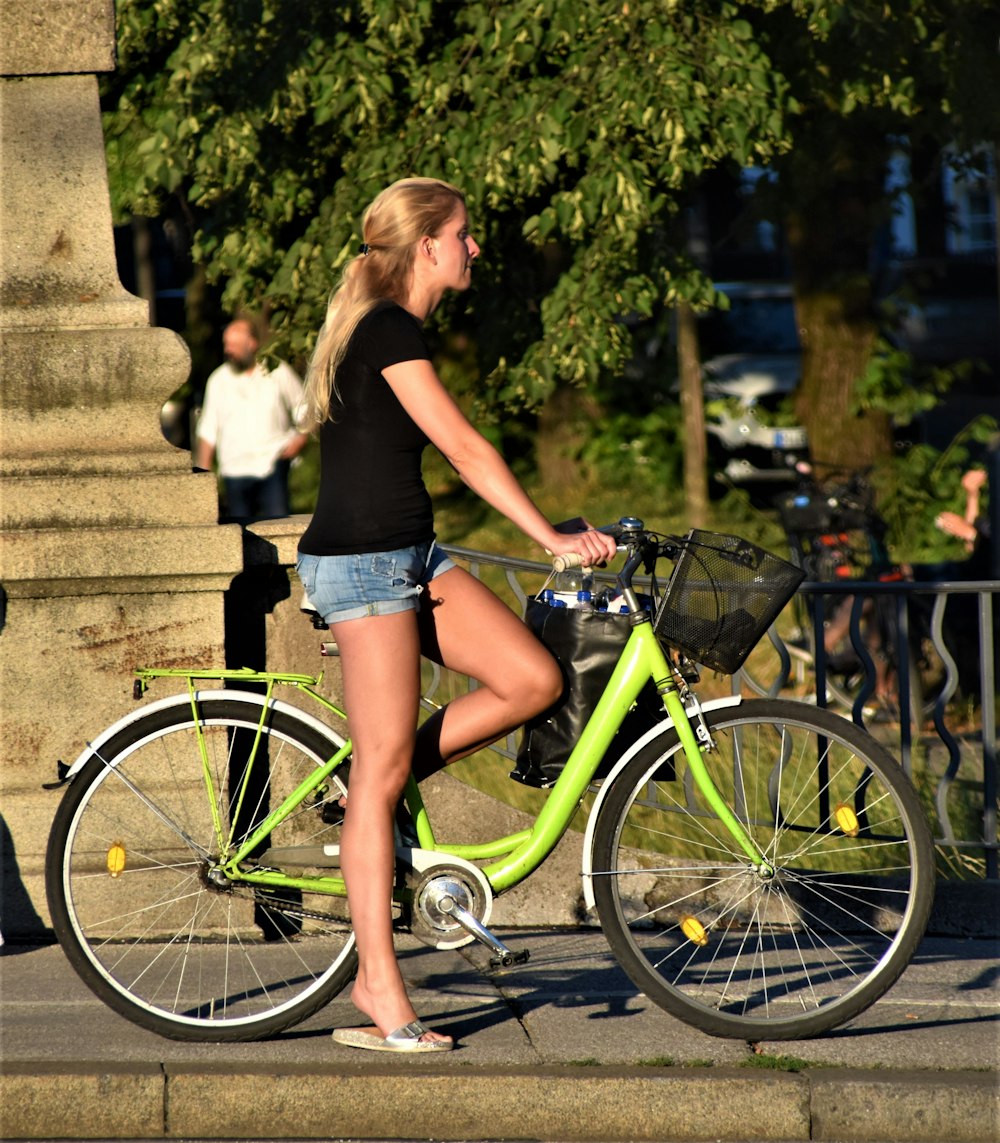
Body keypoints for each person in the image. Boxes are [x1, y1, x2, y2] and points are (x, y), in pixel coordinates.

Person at [295, 177, 616, 1053]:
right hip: (364, 569)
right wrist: (549, 534)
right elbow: (465, 448)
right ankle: (377, 984)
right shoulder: (390, 328)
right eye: (466, 236)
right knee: (384, 768)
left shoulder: (397, 326)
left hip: (410, 557)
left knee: (531, 678)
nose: (477, 249)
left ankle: (375, 784)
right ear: (428, 245)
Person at [195, 316, 310, 524]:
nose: (229, 350)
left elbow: (304, 407)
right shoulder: (218, 380)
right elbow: (208, 430)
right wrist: (202, 478)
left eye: (235, 345)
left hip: (273, 462)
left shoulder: (276, 370)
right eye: (227, 344)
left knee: (280, 526)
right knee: (240, 534)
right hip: (234, 469)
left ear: (253, 344)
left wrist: (302, 437)